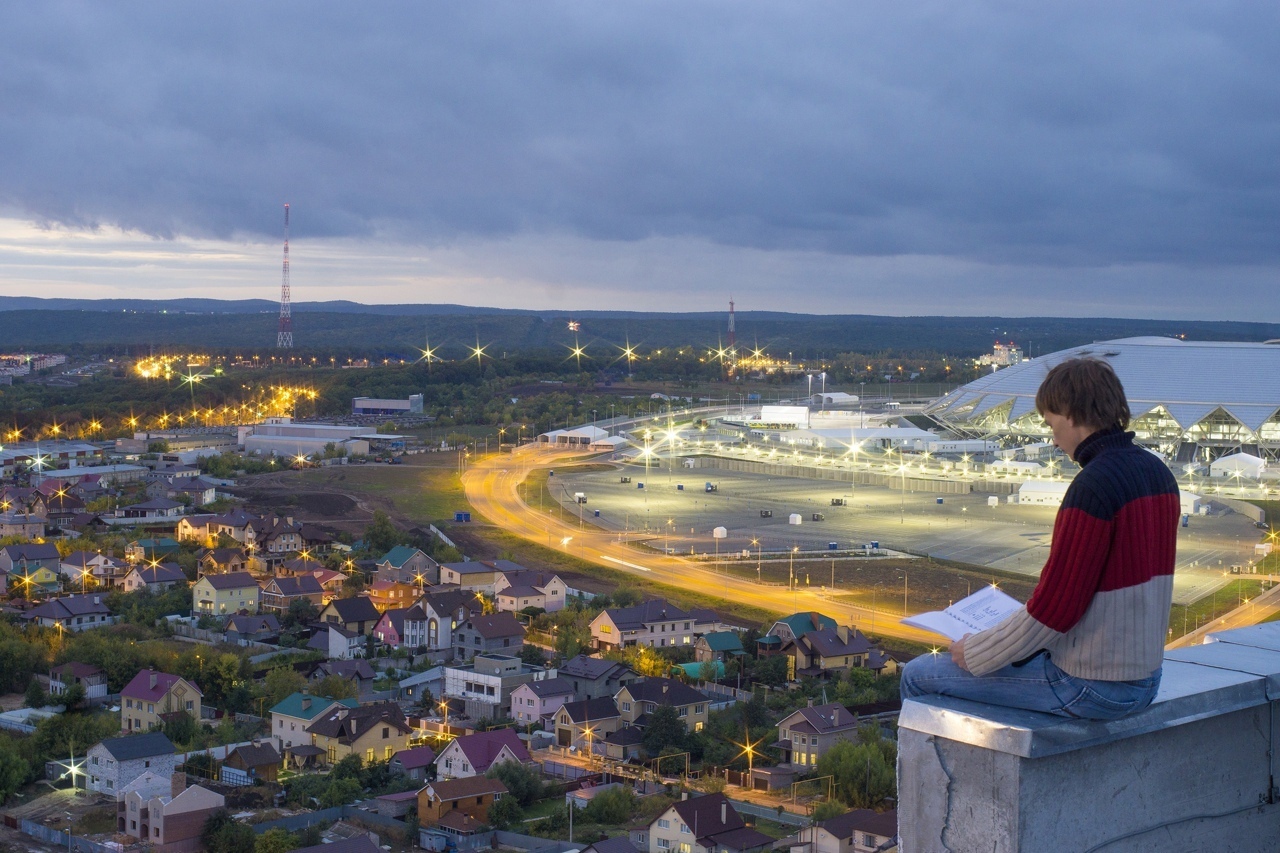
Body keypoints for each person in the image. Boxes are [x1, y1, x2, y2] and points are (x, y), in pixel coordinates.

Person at [900, 358, 1180, 720]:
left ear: (1070, 413)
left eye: (1050, 423)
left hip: (1092, 686)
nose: (1052, 438)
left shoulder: (1093, 487)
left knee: (919, 675)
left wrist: (975, 652)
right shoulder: (1158, 472)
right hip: (1145, 680)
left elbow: (1055, 611)